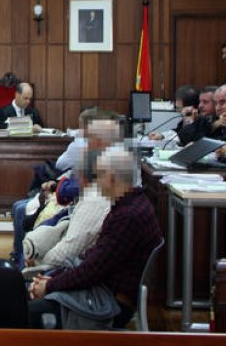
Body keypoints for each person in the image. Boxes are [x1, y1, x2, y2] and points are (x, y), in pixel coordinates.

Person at [28, 145, 161, 329]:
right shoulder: (129, 204)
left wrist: (49, 286)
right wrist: (52, 280)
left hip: (108, 304)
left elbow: (92, 270)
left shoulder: (128, 216)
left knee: (25, 312)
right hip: (102, 290)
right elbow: (92, 259)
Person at [22, 119, 121, 272]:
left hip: (74, 272)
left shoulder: (96, 199)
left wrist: (38, 263)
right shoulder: (100, 185)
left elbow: (67, 252)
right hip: (73, 263)